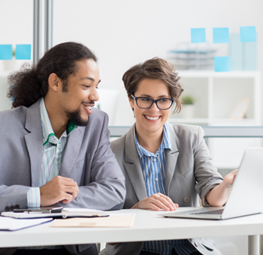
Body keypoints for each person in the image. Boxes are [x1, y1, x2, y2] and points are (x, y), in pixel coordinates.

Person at [100, 58, 237, 255]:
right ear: (131, 100)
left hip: (188, 248)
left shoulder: (191, 138)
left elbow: (213, 195)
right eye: (145, 99)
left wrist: (226, 185)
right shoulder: (111, 152)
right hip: (137, 250)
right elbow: (105, 221)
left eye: (163, 100)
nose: (154, 109)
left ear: (172, 103)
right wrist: (137, 209)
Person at [0, 42, 126, 255]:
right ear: (56, 82)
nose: (95, 96)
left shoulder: (96, 125)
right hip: (16, 249)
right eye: (86, 86)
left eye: (97, 86)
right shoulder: (5, 126)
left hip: (73, 249)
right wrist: (37, 196)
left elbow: (114, 190)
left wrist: (58, 200)